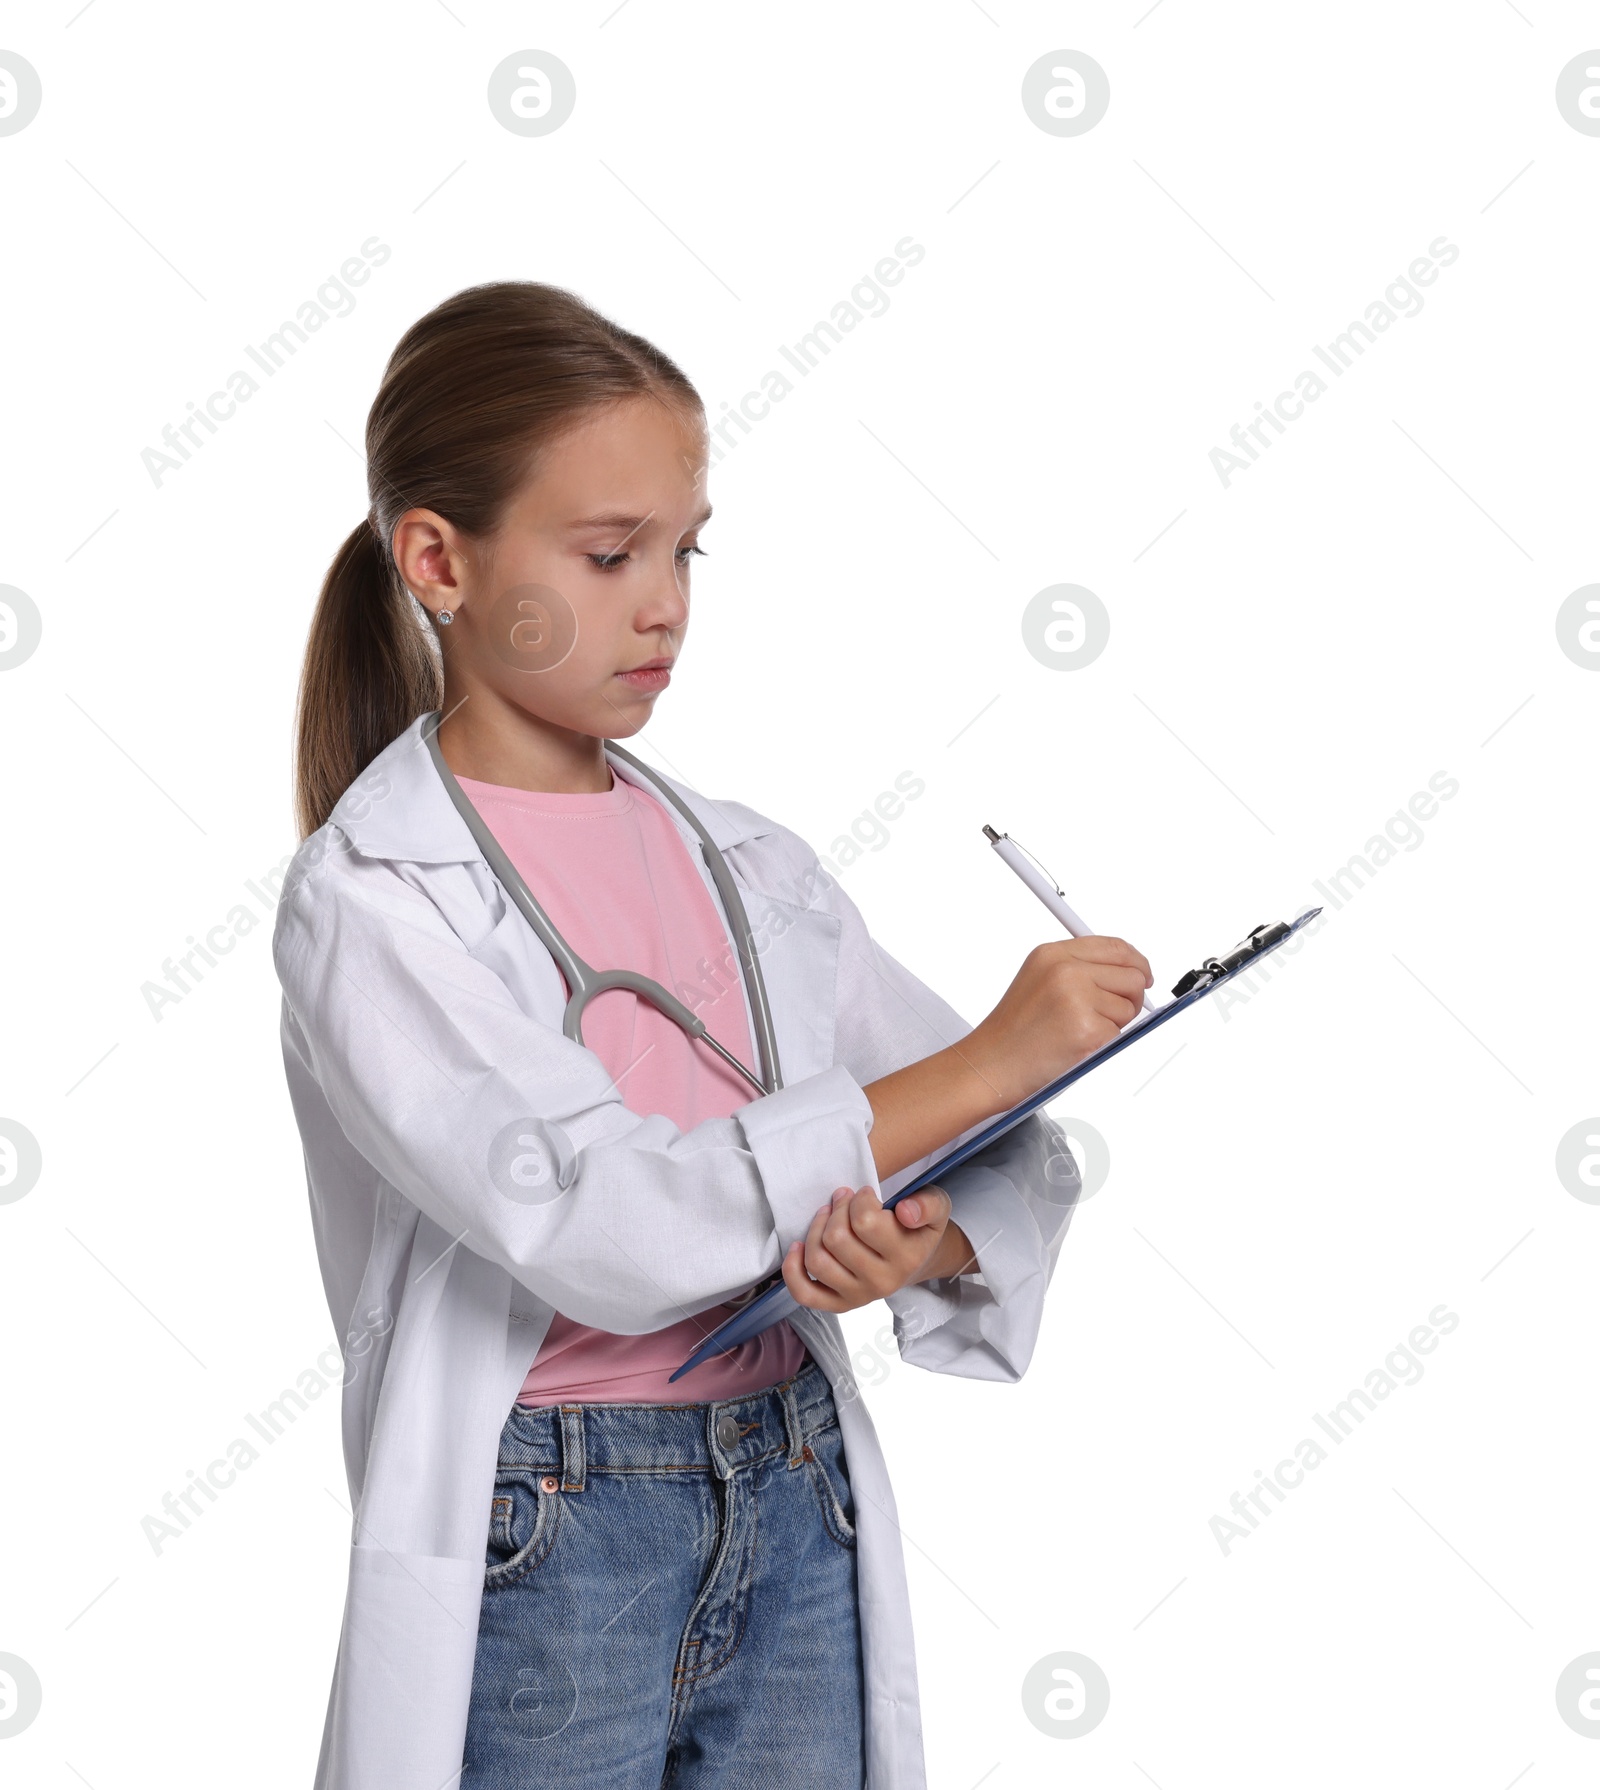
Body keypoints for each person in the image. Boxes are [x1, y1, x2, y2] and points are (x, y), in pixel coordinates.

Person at [272, 280, 1153, 1790]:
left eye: (685, 550)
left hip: (793, 1474)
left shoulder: (755, 866)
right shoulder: (375, 899)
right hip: (557, 1521)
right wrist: (990, 1057)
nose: (665, 600)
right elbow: (598, 1211)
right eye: (610, 553)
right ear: (438, 560)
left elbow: (987, 1147)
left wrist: (919, 1243)